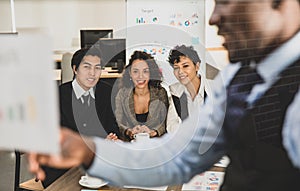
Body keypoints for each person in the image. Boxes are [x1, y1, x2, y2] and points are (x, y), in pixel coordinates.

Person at [29, 1, 300, 191]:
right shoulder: (237, 79)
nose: (213, 18)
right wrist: (86, 152)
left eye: (227, 1)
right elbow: (178, 157)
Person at [41, 47, 121, 187]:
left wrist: (112, 137)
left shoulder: (105, 91)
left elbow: (112, 126)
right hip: (62, 167)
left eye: (97, 68)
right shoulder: (56, 96)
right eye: (86, 67)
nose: (92, 73)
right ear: (75, 69)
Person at [114, 50, 169, 140]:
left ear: (150, 73)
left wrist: (152, 132)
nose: (140, 76)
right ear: (130, 73)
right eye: (135, 71)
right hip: (131, 145)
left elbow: (164, 123)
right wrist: (129, 131)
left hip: (155, 144)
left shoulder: (160, 93)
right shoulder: (122, 94)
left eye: (145, 71)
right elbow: (118, 122)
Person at [166, 45, 210, 133]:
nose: (180, 72)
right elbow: (171, 126)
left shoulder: (214, 89)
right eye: (176, 68)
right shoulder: (175, 92)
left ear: (197, 66)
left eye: (185, 66)